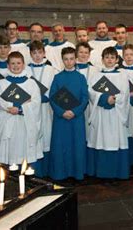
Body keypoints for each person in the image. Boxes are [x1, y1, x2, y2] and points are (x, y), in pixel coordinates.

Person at [0, 52, 43, 169]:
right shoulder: (2, 83)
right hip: (8, 120)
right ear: (8, 65)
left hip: (25, 123)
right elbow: (0, 101)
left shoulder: (31, 83)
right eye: (13, 63)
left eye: (18, 63)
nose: (16, 66)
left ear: (24, 65)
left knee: (24, 153)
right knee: (10, 152)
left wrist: (20, 109)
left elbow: (36, 102)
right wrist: (13, 107)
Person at [87, 47, 130, 180]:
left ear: (117, 59)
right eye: (107, 57)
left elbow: (125, 94)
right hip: (101, 114)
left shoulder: (122, 75)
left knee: (115, 140)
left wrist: (115, 99)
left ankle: (117, 172)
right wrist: (105, 99)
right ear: (102, 59)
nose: (109, 60)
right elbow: (91, 92)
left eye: (112, 57)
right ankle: (101, 172)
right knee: (101, 139)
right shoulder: (96, 75)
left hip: (116, 114)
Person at [49, 47, 89, 181]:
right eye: (66, 59)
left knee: (76, 145)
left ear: (76, 59)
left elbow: (85, 98)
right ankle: (61, 173)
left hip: (76, 118)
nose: (69, 62)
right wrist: (62, 112)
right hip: (61, 119)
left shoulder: (81, 77)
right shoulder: (57, 77)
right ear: (62, 60)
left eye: (71, 59)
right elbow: (52, 97)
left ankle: (77, 173)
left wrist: (74, 111)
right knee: (61, 146)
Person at [27, 40, 57, 176]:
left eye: (40, 52)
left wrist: (47, 96)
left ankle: (48, 170)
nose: (37, 55)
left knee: (47, 135)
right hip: (31, 109)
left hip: (46, 108)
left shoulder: (51, 69)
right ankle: (34, 169)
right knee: (33, 134)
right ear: (30, 54)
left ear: (44, 53)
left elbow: (55, 89)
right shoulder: (26, 69)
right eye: (34, 53)